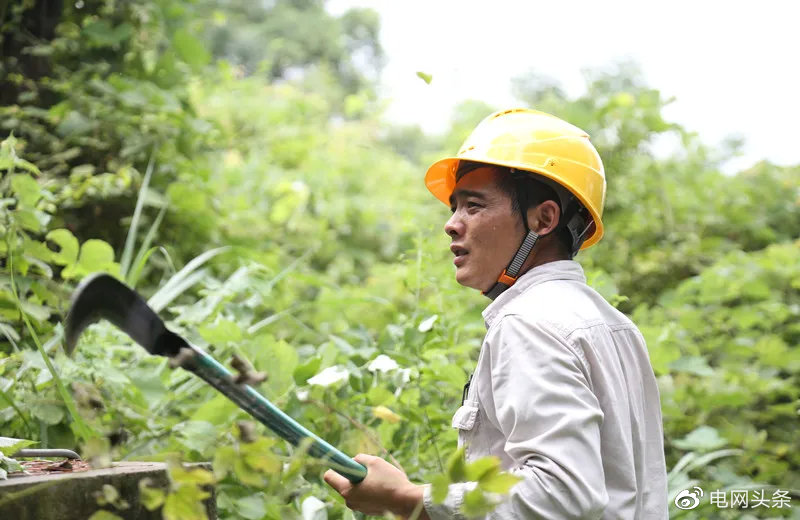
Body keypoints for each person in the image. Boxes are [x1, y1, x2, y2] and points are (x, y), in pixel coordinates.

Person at [324, 108, 668, 519]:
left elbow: (564, 493)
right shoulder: (615, 326)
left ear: (543, 218)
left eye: (473, 206)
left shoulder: (529, 324)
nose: (452, 225)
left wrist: (407, 498)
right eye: (454, 208)